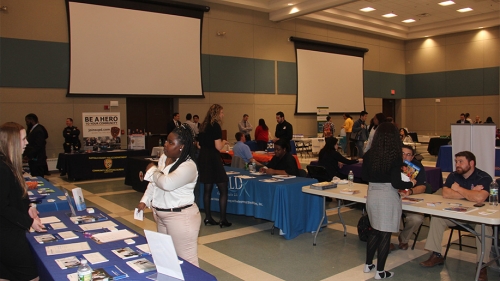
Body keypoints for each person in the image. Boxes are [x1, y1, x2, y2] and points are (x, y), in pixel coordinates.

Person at [419, 151, 492, 281]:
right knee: (437, 217)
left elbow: (480, 197)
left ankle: (482, 265)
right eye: (456, 161)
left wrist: (458, 189)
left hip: (477, 217)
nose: (457, 164)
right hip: (456, 215)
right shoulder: (454, 175)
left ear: (471, 163)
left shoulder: (484, 177)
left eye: (460, 162)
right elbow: (446, 193)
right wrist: (471, 193)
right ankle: (436, 254)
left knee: (484, 228)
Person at [137, 125, 201, 266]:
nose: (165, 145)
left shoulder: (189, 166)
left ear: (182, 147)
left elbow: (166, 183)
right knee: (166, 258)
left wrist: (152, 170)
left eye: (171, 142)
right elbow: (155, 183)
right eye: (166, 141)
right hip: (161, 215)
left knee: (187, 262)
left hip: (180, 217)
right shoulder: (164, 158)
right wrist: (145, 200)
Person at [361, 122, 415, 279]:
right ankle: (380, 272)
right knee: (385, 234)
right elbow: (396, 184)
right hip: (387, 195)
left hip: (372, 193)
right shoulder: (394, 156)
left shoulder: (369, 154)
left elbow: (364, 176)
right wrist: (410, 183)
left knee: (374, 230)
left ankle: (368, 264)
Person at [0, 122, 46, 281]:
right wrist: (29, 222)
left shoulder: (9, 165)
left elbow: (14, 194)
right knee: (31, 276)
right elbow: (2, 206)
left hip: (9, 233)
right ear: (11, 141)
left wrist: (29, 206)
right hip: (7, 237)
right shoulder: (2, 168)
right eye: (23, 139)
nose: (27, 142)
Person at [198, 104, 232, 228]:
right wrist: (224, 142)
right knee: (223, 187)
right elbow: (218, 146)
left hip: (203, 158)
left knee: (207, 189)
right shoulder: (216, 126)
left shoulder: (203, 125)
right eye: (222, 112)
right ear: (217, 114)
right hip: (213, 158)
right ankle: (223, 219)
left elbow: (199, 145)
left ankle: (208, 217)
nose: (223, 115)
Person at [396, 145, 427, 250]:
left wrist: (411, 191)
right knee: (387, 213)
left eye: (408, 155)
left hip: (409, 199)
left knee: (417, 218)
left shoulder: (417, 167)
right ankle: (385, 240)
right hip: (393, 198)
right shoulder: (391, 164)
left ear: (412, 157)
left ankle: (404, 239)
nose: (404, 156)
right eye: (402, 153)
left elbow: (423, 186)